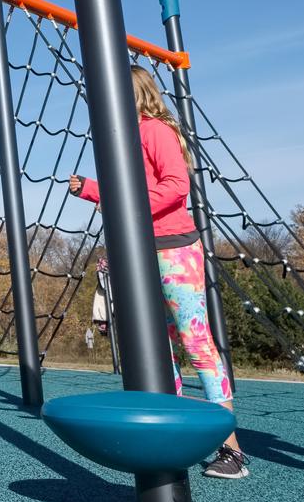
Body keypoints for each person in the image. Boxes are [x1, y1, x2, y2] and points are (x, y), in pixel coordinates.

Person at [69, 65, 247, 479]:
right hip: (136, 251)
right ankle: (175, 433)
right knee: (157, 345)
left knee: (195, 339)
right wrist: (90, 189)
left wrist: (123, 205)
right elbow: (125, 188)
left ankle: (231, 448)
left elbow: (175, 186)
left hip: (173, 249)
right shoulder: (119, 140)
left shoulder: (153, 130)